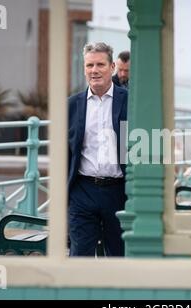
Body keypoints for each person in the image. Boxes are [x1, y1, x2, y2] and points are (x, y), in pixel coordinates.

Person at [67, 42, 128, 257]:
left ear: (112, 67)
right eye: (89, 65)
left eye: (100, 64)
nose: (94, 70)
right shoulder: (72, 105)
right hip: (83, 191)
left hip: (119, 191)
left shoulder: (129, 101)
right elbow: (65, 152)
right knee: (79, 257)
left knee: (119, 257)